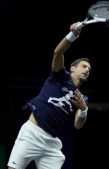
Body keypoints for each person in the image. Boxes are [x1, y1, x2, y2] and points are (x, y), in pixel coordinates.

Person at [7, 22, 91, 169]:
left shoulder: (82, 98)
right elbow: (58, 52)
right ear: (73, 68)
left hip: (51, 143)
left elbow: (78, 125)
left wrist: (84, 110)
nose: (87, 70)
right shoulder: (59, 76)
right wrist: (72, 35)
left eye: (89, 69)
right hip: (32, 133)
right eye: (84, 66)